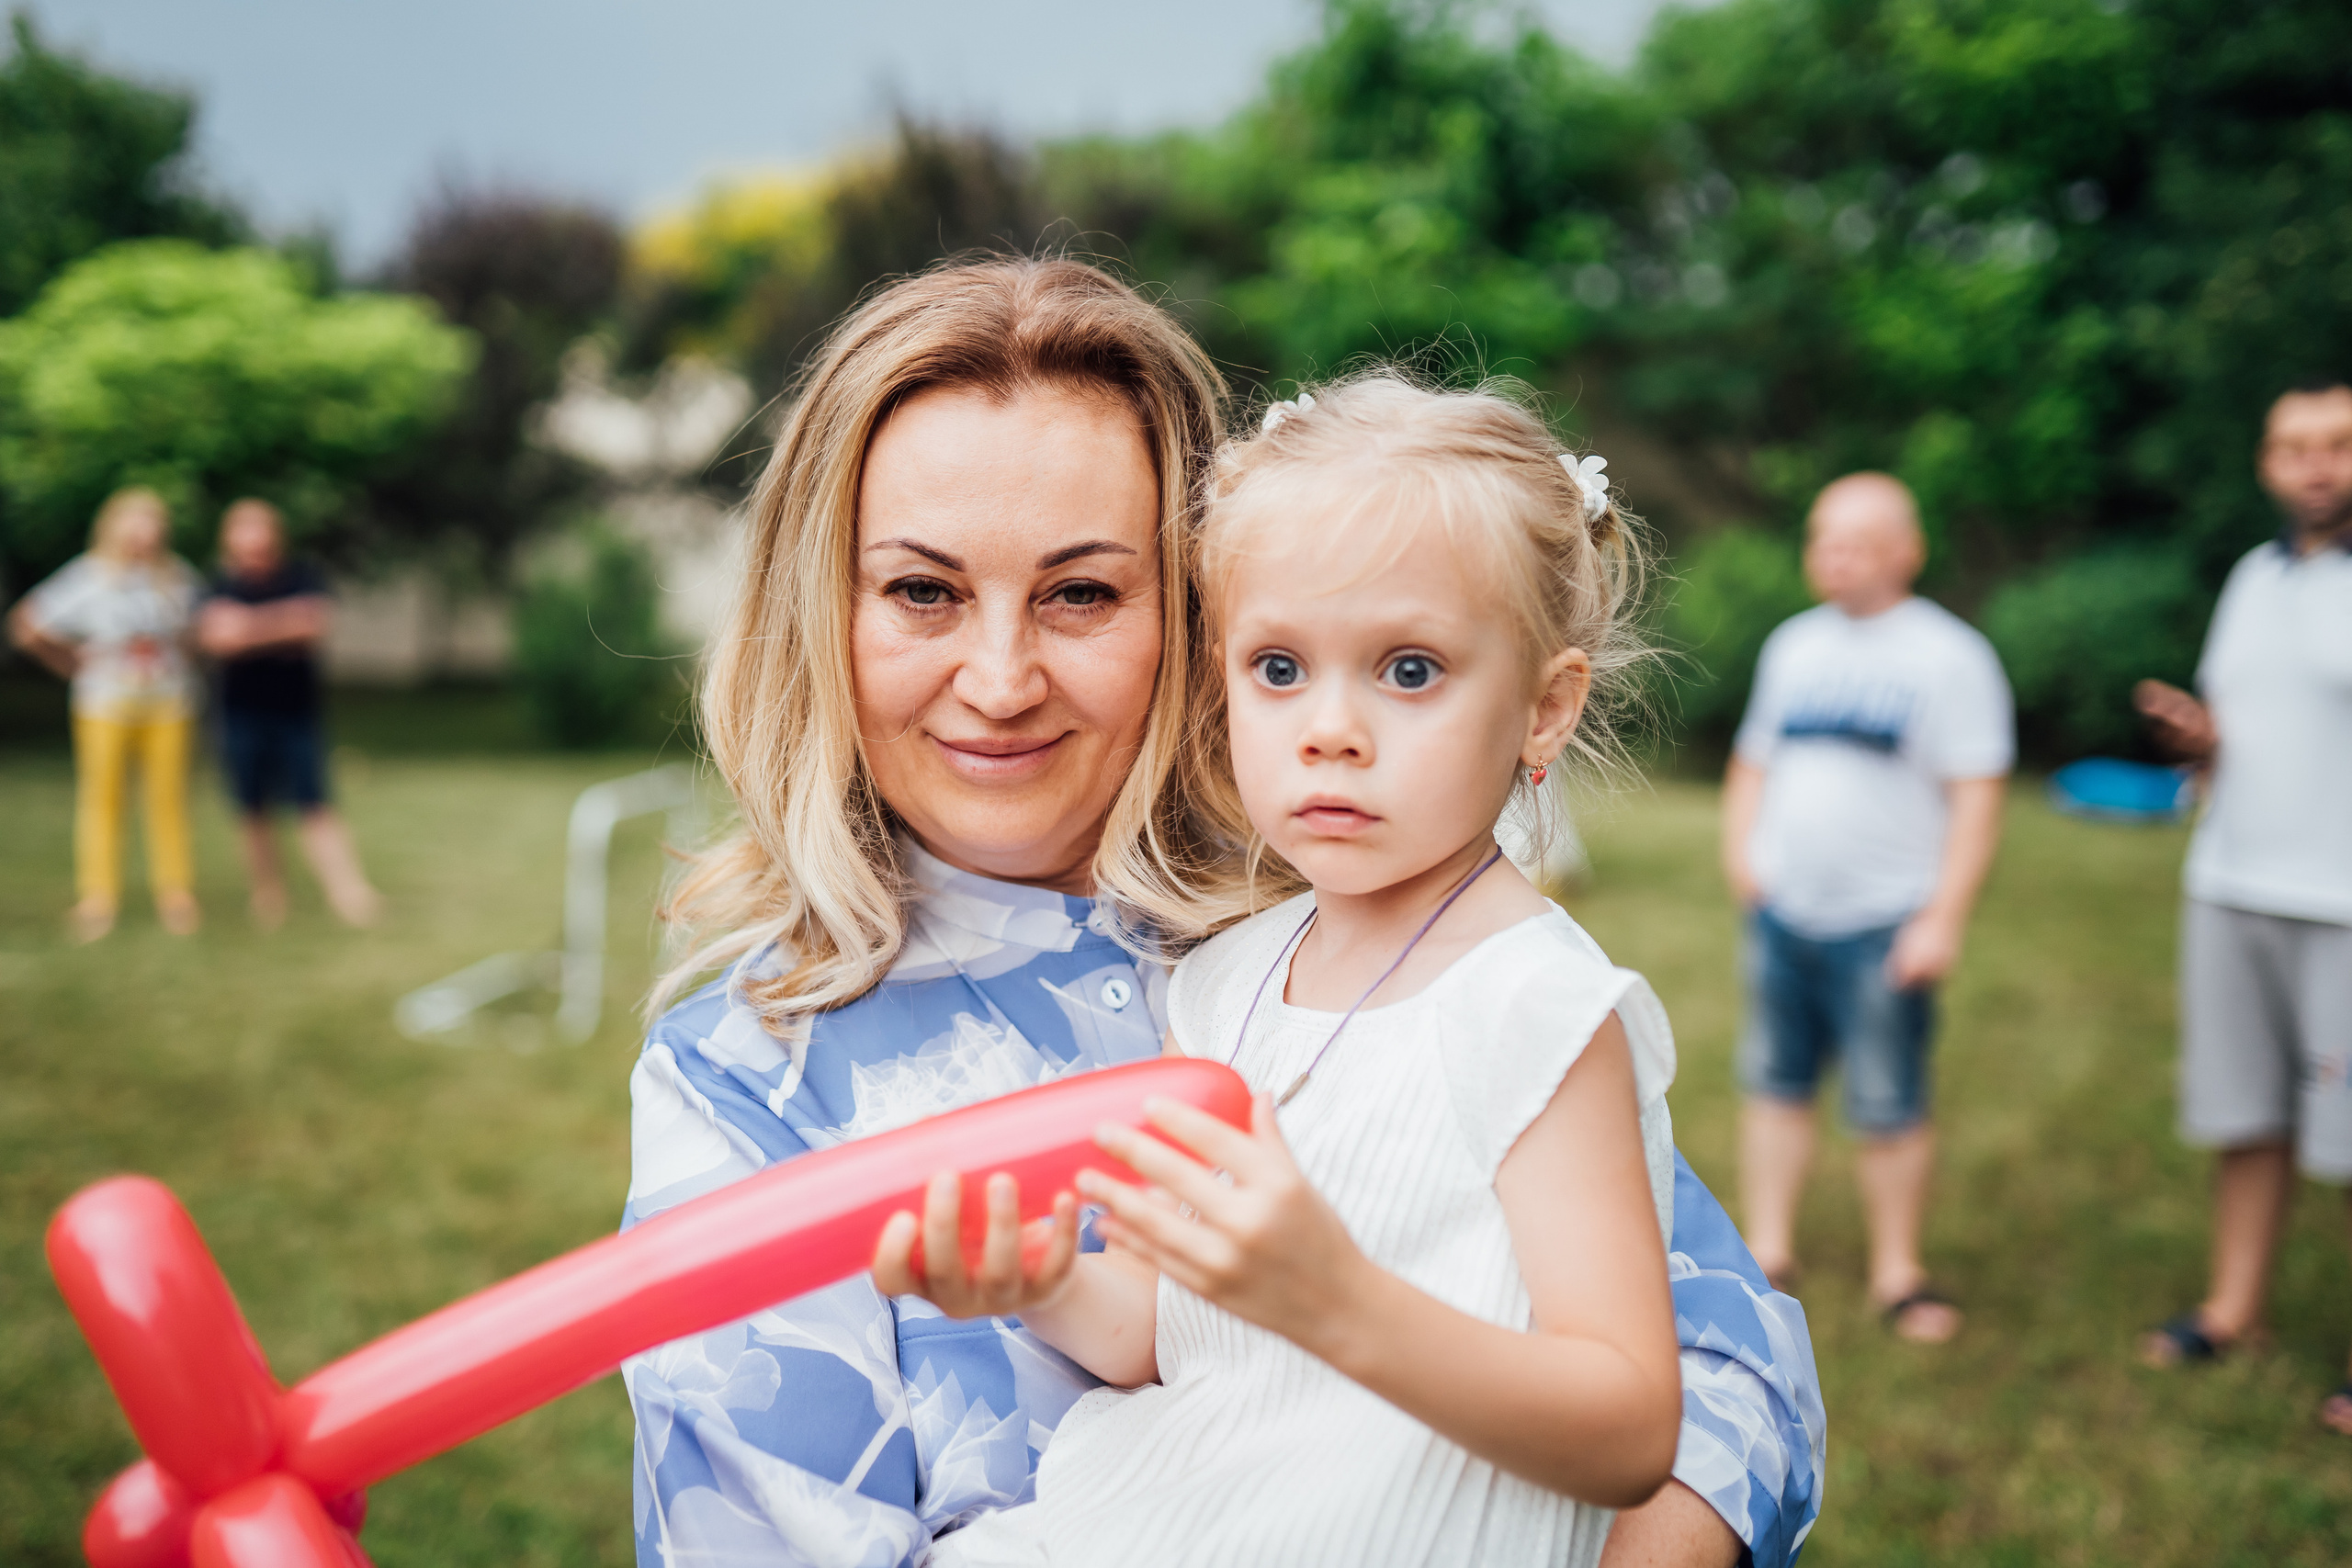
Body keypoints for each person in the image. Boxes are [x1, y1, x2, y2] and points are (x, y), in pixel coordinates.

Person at [624, 259, 1823, 1568]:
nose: (1001, 679)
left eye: (1082, 592)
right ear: (821, 610)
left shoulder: (1363, 934)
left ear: (1188, 615)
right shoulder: (744, 1084)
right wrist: (1048, 1282)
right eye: (923, 591)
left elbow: (1728, 1361)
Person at [890, 373, 1698, 1567]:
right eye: (1278, 668)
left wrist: (1339, 1300)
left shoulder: (1537, 1009)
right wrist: (1039, 1280)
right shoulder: (1224, 982)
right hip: (1168, 1516)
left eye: (1409, 669)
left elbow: (1628, 1428)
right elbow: (1164, 1332)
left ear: (1543, 708)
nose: (1329, 729)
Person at [1723, 473, 2012, 1344]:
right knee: (1775, 1084)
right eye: (1823, 539)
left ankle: (1898, 1273)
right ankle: (1767, 1252)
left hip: (1886, 921)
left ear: (1906, 550)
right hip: (1784, 913)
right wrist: (1744, 857)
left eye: (1855, 541)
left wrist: (1941, 918)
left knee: (1889, 1100)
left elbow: (1978, 794)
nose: (1833, 556)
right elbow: (1753, 761)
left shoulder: (1950, 657)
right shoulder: (1794, 646)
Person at [2132, 378, 2352, 1438]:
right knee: (2244, 1112)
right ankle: (2233, 1310)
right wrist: (2199, 736)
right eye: (2293, 446)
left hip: (2342, 901)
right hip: (2230, 883)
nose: (2315, 463)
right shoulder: (2252, 578)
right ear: (2266, 463)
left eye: (2337, 443)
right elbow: (2245, 724)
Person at [7, 488, 205, 941]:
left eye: (152, 524)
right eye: (135, 524)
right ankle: (99, 898)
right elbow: (26, 624)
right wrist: (68, 662)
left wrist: (184, 656)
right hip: (105, 705)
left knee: (168, 800)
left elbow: (197, 632)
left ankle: (175, 895)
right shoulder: (89, 576)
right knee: (103, 801)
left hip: (169, 703)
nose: (144, 535)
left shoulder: (177, 577)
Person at [195, 499, 380, 929]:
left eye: (262, 541)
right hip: (240, 713)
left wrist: (246, 626)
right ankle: (268, 894)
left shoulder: (302, 575)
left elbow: (313, 624)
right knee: (252, 808)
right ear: (230, 543)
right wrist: (282, 623)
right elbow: (218, 640)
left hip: (296, 713)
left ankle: (348, 892)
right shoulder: (218, 584)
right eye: (246, 543)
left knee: (315, 803)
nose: (255, 551)